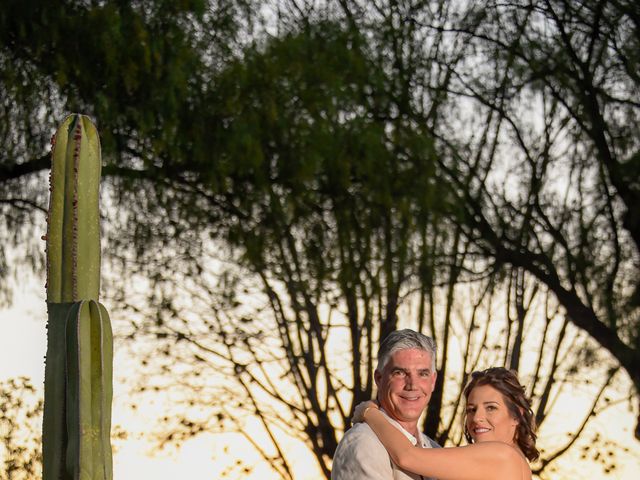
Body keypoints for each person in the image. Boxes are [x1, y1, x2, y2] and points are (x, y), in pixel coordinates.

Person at [352, 367, 539, 480]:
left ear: (516, 416)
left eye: (491, 407)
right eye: (471, 409)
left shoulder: (501, 455)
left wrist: (369, 412)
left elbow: (407, 457)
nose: (477, 418)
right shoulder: (518, 463)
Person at [331, 329, 440, 480]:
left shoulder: (434, 449)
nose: (412, 385)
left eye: (422, 374)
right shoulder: (364, 443)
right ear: (379, 378)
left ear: (433, 381)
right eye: (400, 373)